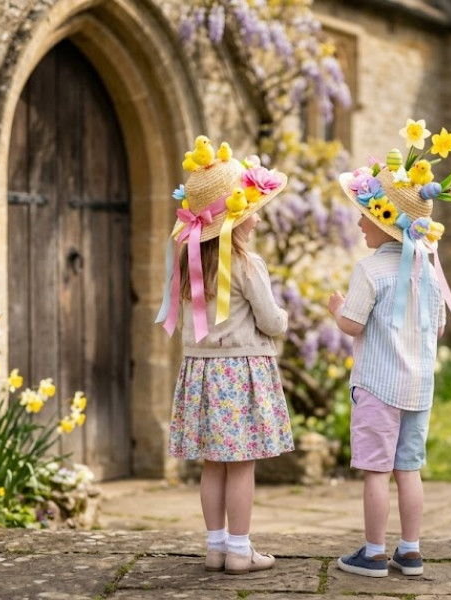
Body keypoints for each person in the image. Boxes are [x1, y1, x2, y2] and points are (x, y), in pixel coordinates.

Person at [327, 119, 451, 578]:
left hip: (376, 385)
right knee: (408, 469)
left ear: (384, 224)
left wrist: (335, 309)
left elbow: (353, 323)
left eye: (366, 216)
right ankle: (410, 550)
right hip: (418, 389)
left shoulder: (370, 271)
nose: (358, 222)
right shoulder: (429, 274)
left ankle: (374, 552)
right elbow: (434, 331)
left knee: (375, 471)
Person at [155, 138, 294, 575]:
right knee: (241, 465)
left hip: (200, 370)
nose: (257, 213)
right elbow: (271, 322)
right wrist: (285, 318)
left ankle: (215, 547)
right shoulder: (248, 264)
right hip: (242, 371)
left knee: (212, 464)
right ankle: (239, 549)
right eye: (252, 205)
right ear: (238, 215)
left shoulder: (186, 261)